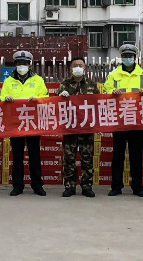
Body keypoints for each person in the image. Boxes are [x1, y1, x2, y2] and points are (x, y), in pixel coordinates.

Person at [103, 44, 143, 197]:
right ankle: (116, 186)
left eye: (130, 57)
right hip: (119, 120)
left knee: (136, 156)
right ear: (121, 58)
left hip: (137, 121)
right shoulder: (113, 75)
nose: (128, 59)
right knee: (117, 155)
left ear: (134, 58)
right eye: (125, 57)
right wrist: (113, 92)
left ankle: (138, 187)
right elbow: (105, 92)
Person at [0, 50, 48, 196]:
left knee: (34, 155)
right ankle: (18, 186)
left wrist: (37, 99)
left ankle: (37, 185)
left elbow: (45, 98)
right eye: (19, 64)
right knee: (17, 156)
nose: (22, 66)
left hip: (33, 123)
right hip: (15, 124)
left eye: (25, 64)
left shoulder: (38, 80)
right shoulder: (8, 81)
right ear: (15, 64)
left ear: (30, 65)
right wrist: (5, 99)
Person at [58, 56, 101, 198]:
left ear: (84, 68)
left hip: (86, 128)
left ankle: (87, 186)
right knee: (69, 158)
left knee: (87, 158)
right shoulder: (64, 84)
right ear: (70, 68)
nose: (78, 67)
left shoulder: (91, 85)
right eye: (75, 65)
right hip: (70, 128)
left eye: (80, 65)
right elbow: (56, 105)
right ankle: (69, 186)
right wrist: (60, 96)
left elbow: (98, 105)